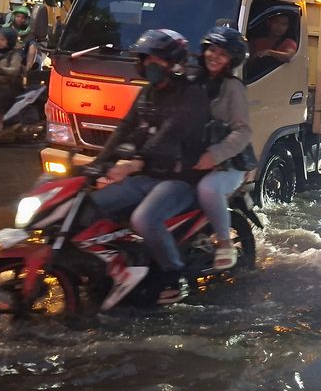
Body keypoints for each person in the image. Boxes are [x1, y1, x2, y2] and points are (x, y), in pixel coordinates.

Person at [89, 29, 213, 304]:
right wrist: (98, 164)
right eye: (146, 60)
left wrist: (135, 162)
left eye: (156, 60)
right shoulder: (147, 93)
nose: (149, 66)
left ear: (174, 63)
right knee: (91, 206)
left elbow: (170, 134)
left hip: (181, 179)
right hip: (147, 177)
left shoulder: (191, 95)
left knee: (144, 219)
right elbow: (125, 128)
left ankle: (173, 276)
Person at [192, 25, 253, 271]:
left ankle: (225, 242)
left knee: (208, 189)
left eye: (223, 54)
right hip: (193, 157)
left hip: (230, 163)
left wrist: (214, 155)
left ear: (231, 60)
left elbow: (243, 131)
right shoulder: (193, 80)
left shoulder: (233, 87)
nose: (215, 56)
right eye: (213, 50)